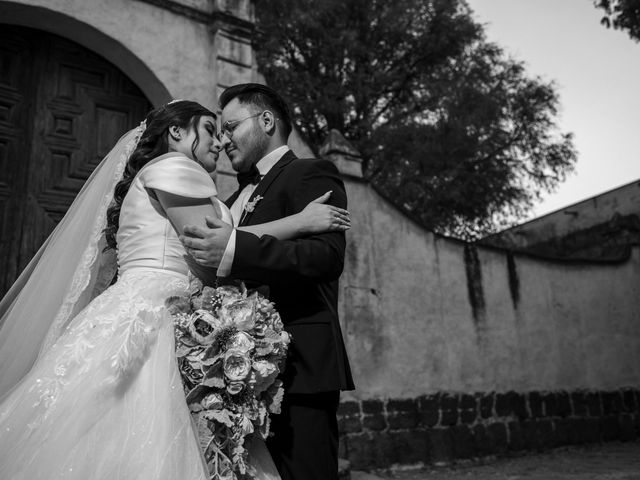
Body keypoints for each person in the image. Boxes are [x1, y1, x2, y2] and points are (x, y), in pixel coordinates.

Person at [0, 100, 349, 480]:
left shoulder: (172, 174)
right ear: (176, 133)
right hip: (161, 316)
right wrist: (299, 222)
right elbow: (210, 248)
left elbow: (227, 242)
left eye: (227, 129)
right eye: (211, 130)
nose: (220, 141)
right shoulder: (178, 168)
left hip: (142, 311)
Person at [180, 84, 355, 480]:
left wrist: (236, 249)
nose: (223, 140)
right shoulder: (229, 198)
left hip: (300, 366)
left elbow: (325, 258)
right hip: (233, 374)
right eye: (220, 131)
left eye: (231, 127)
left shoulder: (311, 173)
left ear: (266, 121)